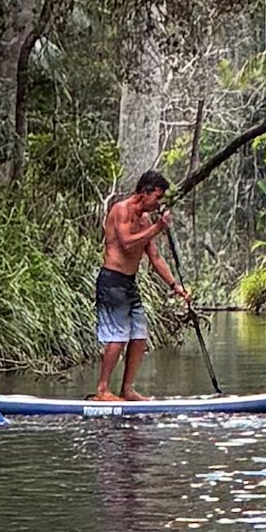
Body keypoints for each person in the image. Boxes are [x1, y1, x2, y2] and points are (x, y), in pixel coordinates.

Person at [92, 171, 187, 405]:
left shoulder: (144, 221)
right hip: (112, 281)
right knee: (117, 338)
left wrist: (175, 286)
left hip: (129, 284)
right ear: (144, 192)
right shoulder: (121, 210)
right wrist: (158, 228)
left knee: (139, 337)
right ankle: (102, 390)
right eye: (157, 196)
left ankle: (127, 389)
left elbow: (154, 257)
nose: (159, 203)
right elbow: (125, 243)